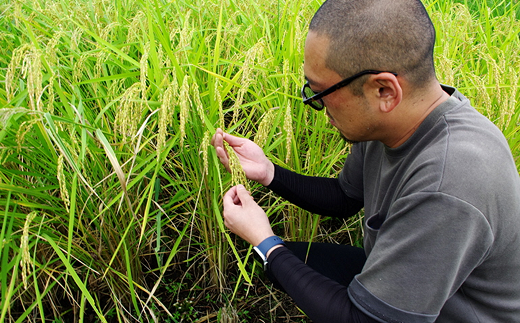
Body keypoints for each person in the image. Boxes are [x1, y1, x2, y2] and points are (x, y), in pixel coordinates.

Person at [211, 0, 520, 322]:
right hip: (425, 291)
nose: (315, 106)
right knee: (283, 264)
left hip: (452, 314)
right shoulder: (395, 123)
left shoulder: (449, 183)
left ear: (384, 90)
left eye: (319, 93)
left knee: (276, 259)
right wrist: (268, 173)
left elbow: (366, 319)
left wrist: (266, 242)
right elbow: (344, 198)